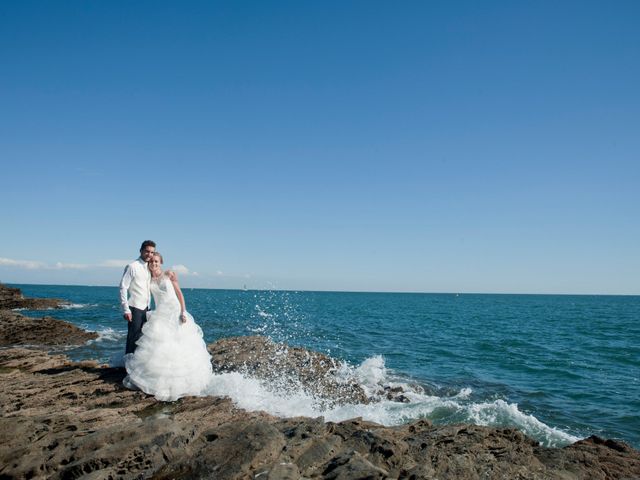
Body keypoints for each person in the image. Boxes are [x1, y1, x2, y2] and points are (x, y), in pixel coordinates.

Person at [123, 252, 213, 401]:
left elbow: (179, 294)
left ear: (161, 262)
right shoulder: (148, 278)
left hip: (175, 313)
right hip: (160, 315)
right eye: (151, 261)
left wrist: (183, 311)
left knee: (180, 346)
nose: (154, 264)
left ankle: (183, 384)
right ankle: (157, 382)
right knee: (159, 348)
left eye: (157, 261)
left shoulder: (169, 275)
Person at [120, 240, 156, 354]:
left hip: (147, 308)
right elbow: (123, 287)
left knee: (143, 338)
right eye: (147, 251)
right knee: (133, 338)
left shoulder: (149, 267)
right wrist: (126, 309)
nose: (149, 254)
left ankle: (136, 364)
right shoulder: (132, 266)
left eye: (151, 252)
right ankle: (127, 367)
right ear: (141, 251)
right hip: (135, 307)